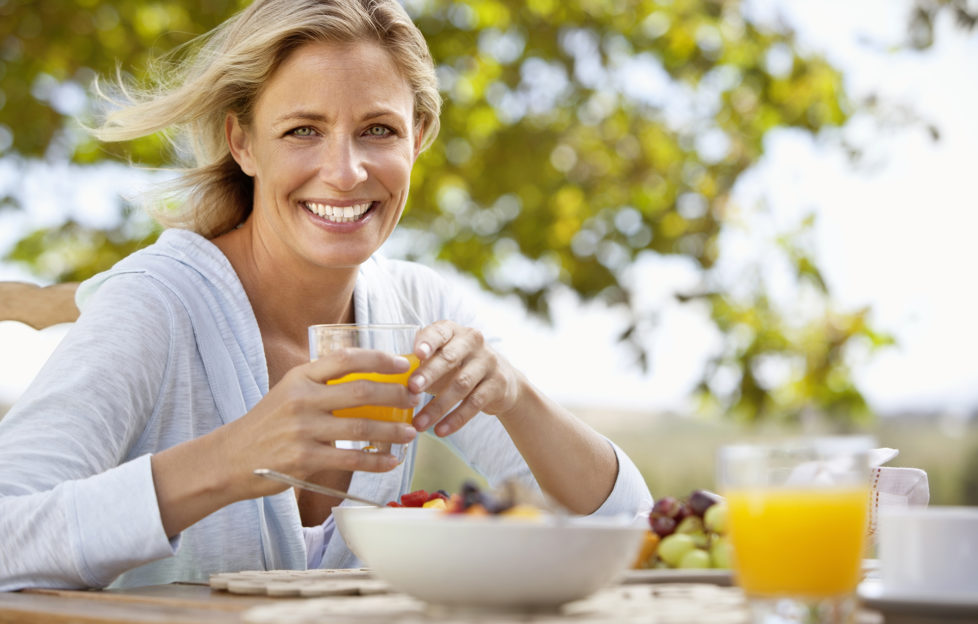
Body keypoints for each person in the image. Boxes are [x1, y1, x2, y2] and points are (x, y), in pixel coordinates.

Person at [0, 0, 652, 590]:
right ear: (243, 142)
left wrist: (516, 397)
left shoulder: (419, 310)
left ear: (418, 134)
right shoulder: (154, 306)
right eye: (302, 131)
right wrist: (232, 458)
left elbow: (631, 525)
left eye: (378, 130)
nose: (344, 173)